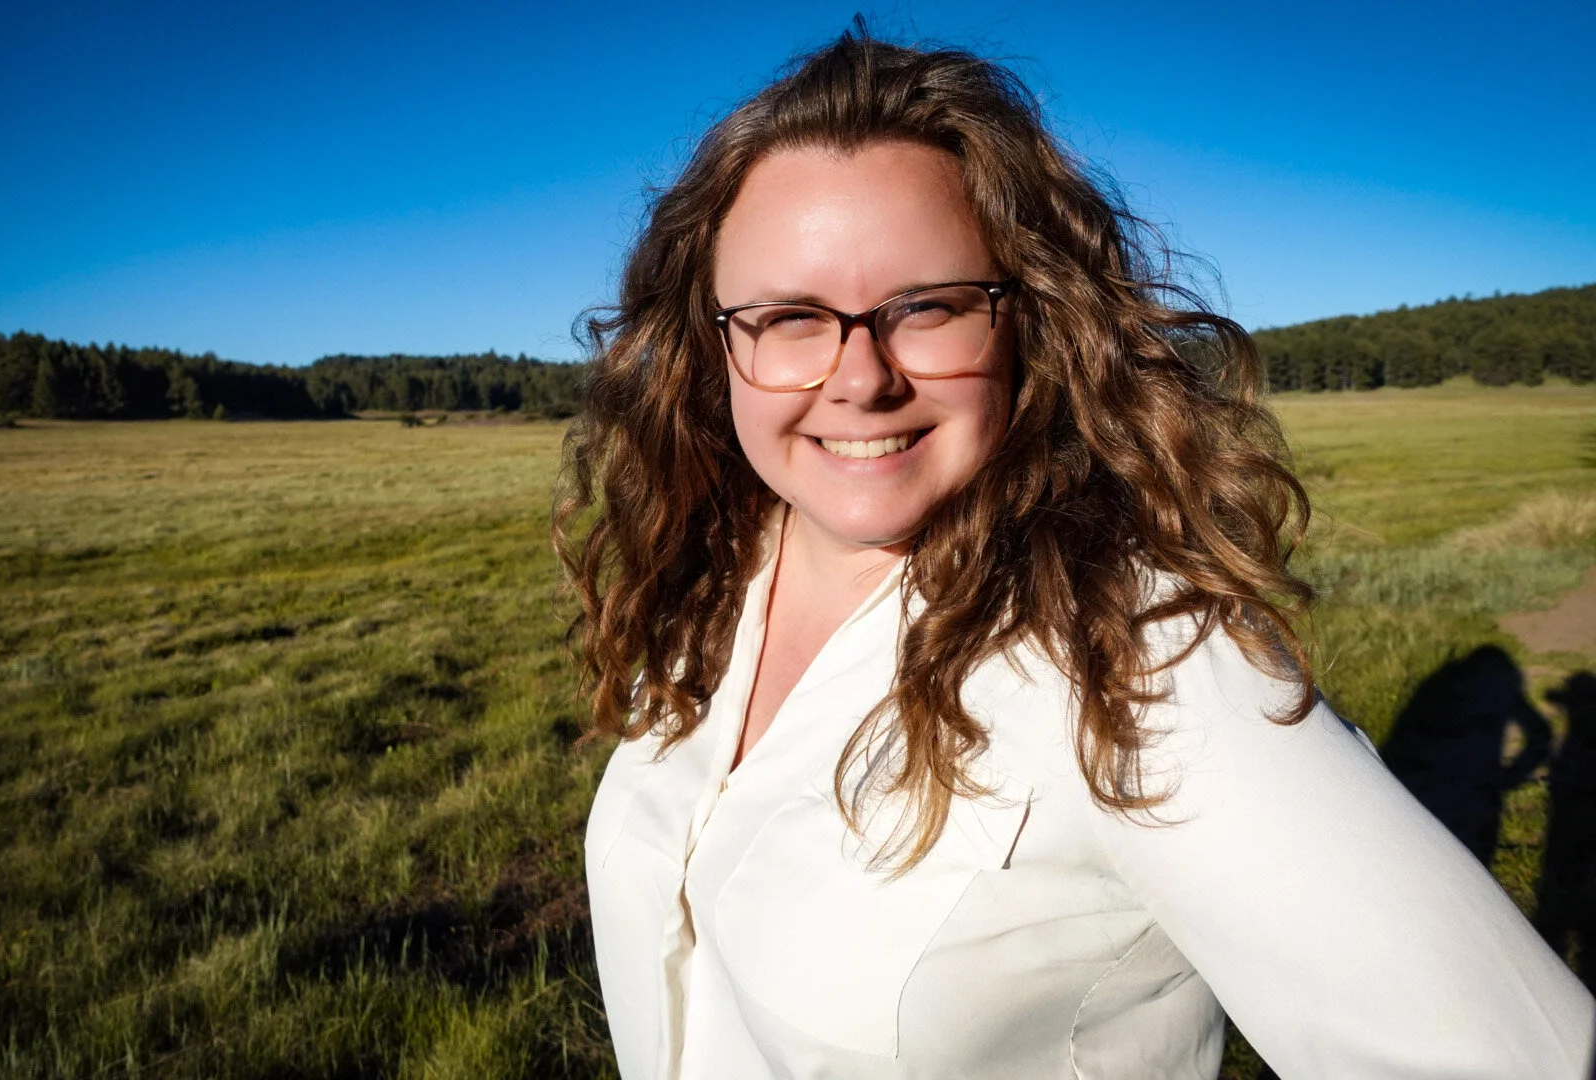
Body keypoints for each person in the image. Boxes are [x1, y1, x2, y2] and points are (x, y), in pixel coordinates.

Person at [552, 27, 1596, 1080]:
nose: (858, 377)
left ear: (1030, 322)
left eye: (927, 308)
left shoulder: (1141, 660)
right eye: (788, 318)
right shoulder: (715, 583)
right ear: (713, 344)